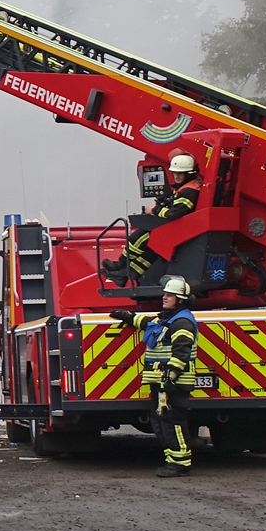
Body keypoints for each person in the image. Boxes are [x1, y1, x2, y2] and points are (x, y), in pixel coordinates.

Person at [110, 275, 199, 477]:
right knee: (160, 421)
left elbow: (182, 352)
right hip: (162, 382)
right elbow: (149, 323)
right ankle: (171, 460)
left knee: (172, 421)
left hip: (172, 384)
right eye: (165, 294)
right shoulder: (167, 318)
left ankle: (180, 464)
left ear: (181, 299)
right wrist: (128, 316)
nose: (165, 297)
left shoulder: (182, 322)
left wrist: (171, 376)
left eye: (170, 295)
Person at [105, 153, 201, 281]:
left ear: (189, 173)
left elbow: (174, 214)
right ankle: (126, 274)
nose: (176, 176)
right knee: (150, 250)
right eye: (175, 173)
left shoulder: (188, 191)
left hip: (179, 230)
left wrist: (154, 210)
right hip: (182, 229)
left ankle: (120, 264)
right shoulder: (189, 186)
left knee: (139, 237)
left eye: (180, 173)